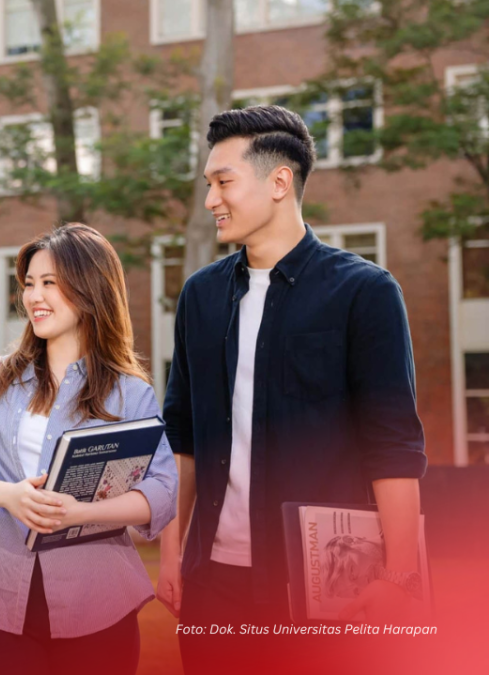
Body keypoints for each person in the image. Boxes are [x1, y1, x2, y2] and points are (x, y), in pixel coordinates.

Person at [156, 105, 427, 674]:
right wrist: (172, 554)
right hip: (215, 587)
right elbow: (181, 436)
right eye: (209, 184)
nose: (211, 201)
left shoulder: (365, 293)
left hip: (325, 590)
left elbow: (394, 446)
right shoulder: (200, 297)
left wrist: (400, 577)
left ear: (280, 181)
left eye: (224, 182)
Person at [0, 224, 177, 675]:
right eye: (28, 284)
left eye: (50, 282)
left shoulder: (130, 393)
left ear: (89, 289)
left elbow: (162, 491)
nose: (34, 297)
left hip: (99, 603)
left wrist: (80, 513)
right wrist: (8, 495)